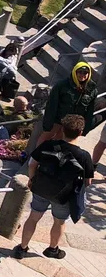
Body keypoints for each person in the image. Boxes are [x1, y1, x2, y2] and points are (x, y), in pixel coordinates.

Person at [13, 115, 95, 260]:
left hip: (41, 188)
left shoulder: (48, 145)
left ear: (62, 129)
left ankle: (22, 247)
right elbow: (88, 182)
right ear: (81, 132)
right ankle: (52, 249)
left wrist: (32, 180)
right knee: (59, 222)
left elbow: (32, 164)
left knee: (33, 218)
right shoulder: (84, 156)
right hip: (63, 196)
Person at [41, 61, 99, 144]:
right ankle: (34, 156)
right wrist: (48, 123)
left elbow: (90, 111)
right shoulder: (61, 85)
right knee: (45, 139)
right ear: (74, 72)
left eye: (85, 72)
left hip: (72, 124)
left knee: (60, 142)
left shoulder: (92, 90)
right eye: (80, 72)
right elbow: (51, 105)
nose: (82, 75)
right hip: (57, 120)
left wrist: (86, 128)